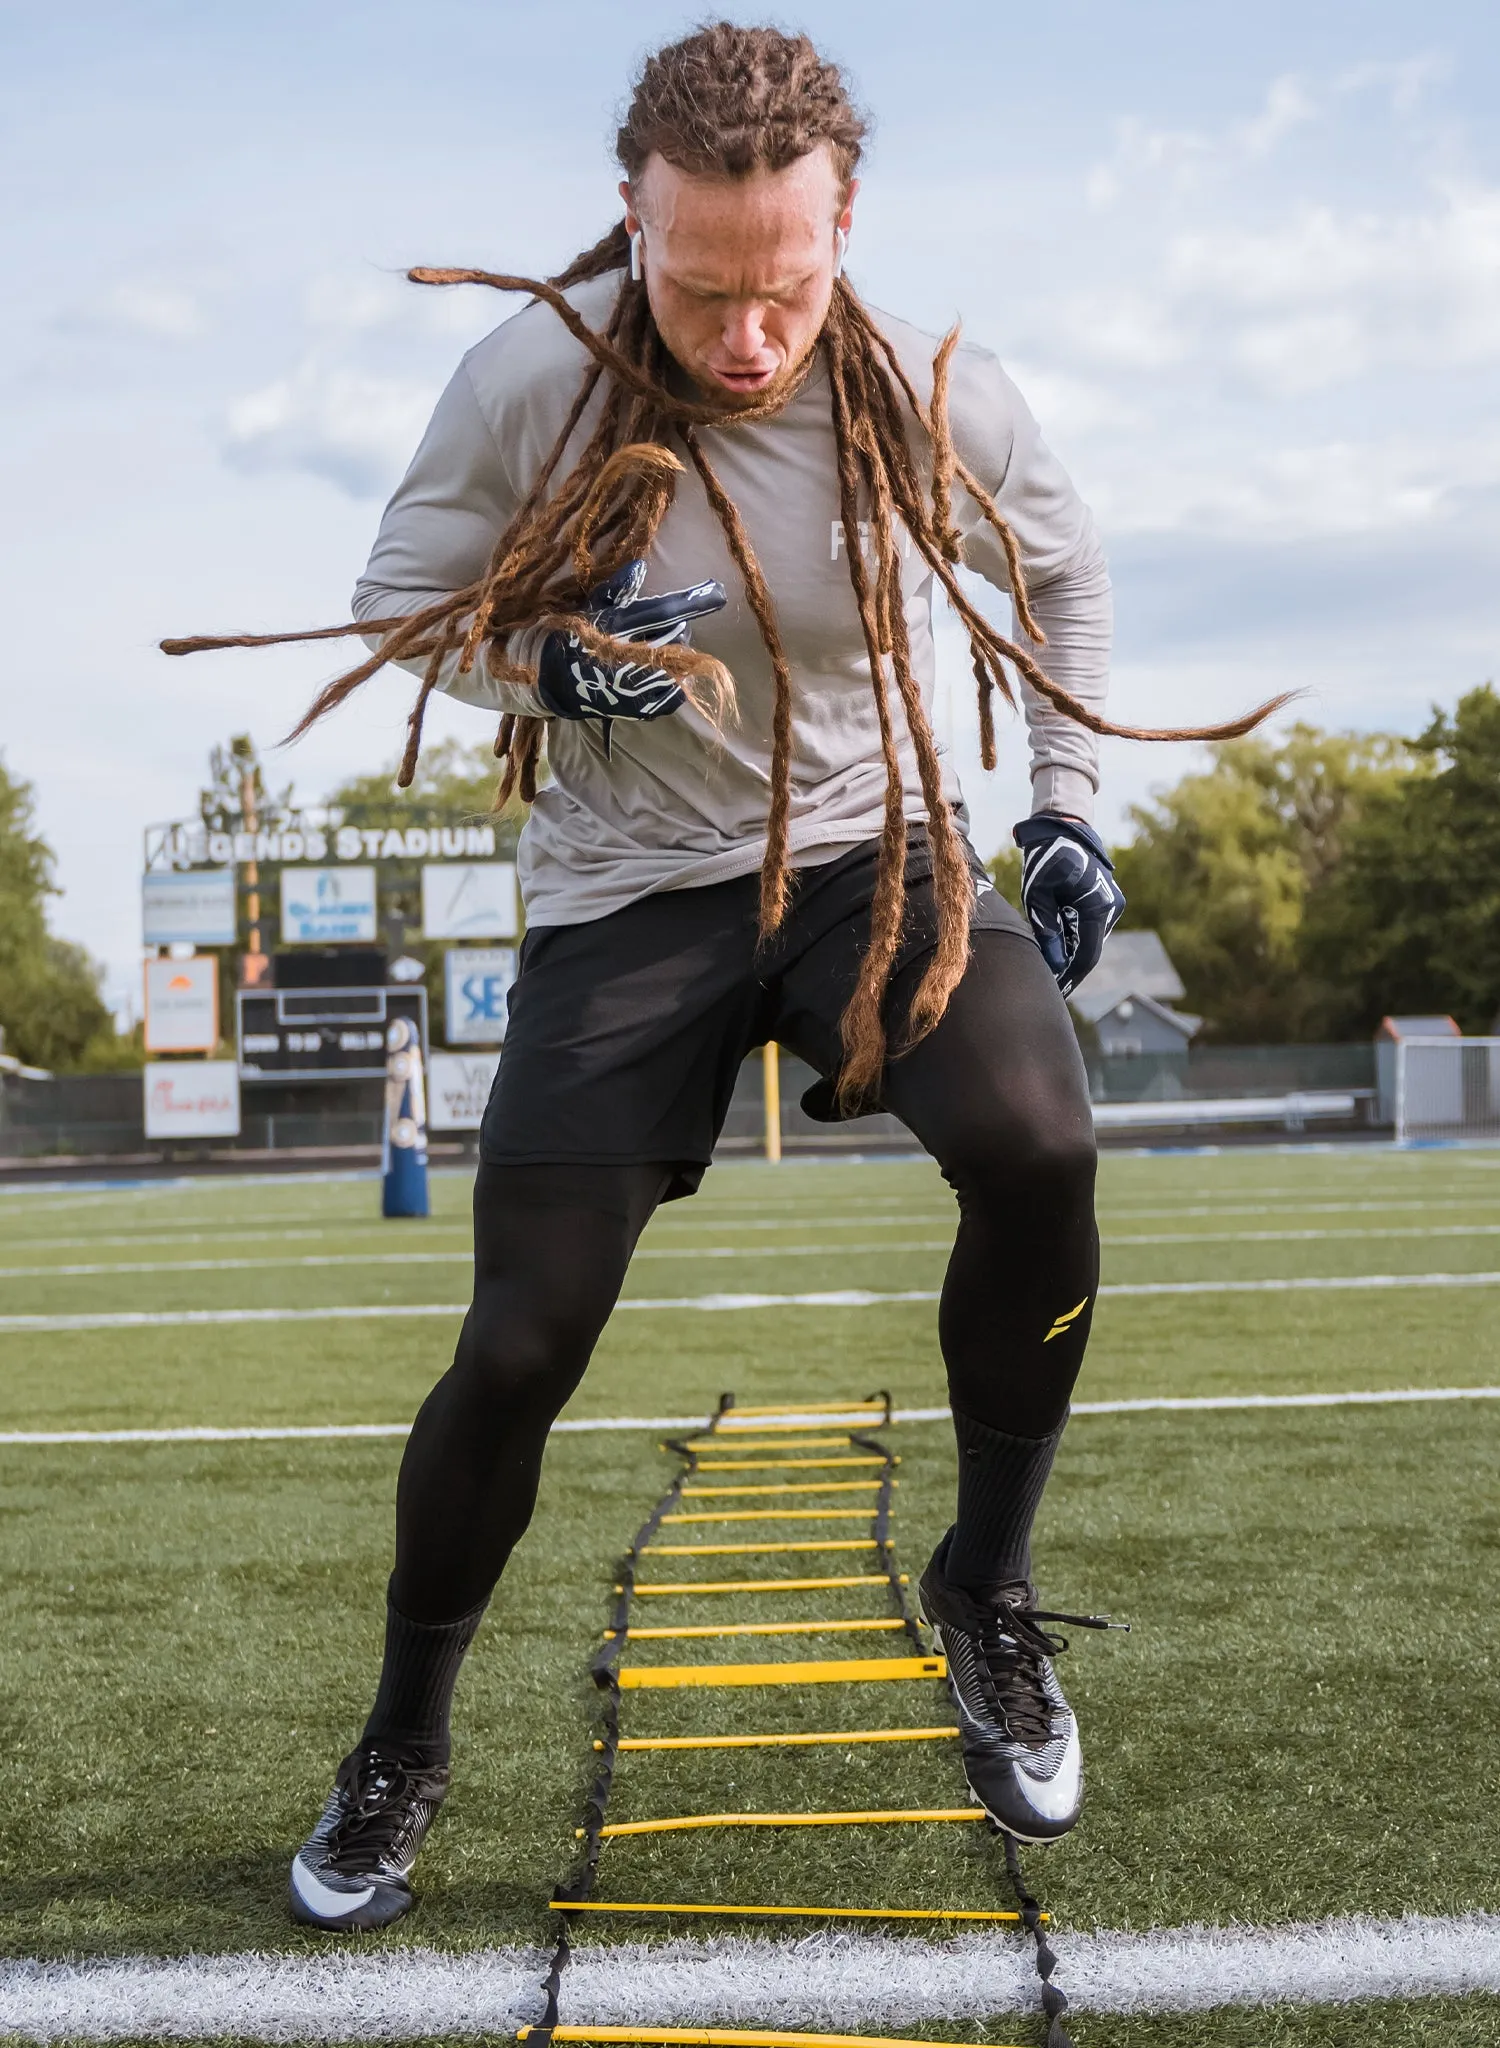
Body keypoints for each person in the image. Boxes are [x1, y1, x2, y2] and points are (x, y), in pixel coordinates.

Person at [174, 22, 1275, 1933]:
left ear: (846, 227)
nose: (749, 335)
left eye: (786, 286)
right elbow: (396, 601)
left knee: (1039, 1139)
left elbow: (1067, 572)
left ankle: (987, 1593)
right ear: (630, 218)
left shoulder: (930, 384)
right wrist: (551, 673)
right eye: (701, 288)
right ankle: (401, 1746)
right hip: (625, 888)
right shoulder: (533, 373)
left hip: (866, 843)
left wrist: (1070, 808)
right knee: (519, 1343)